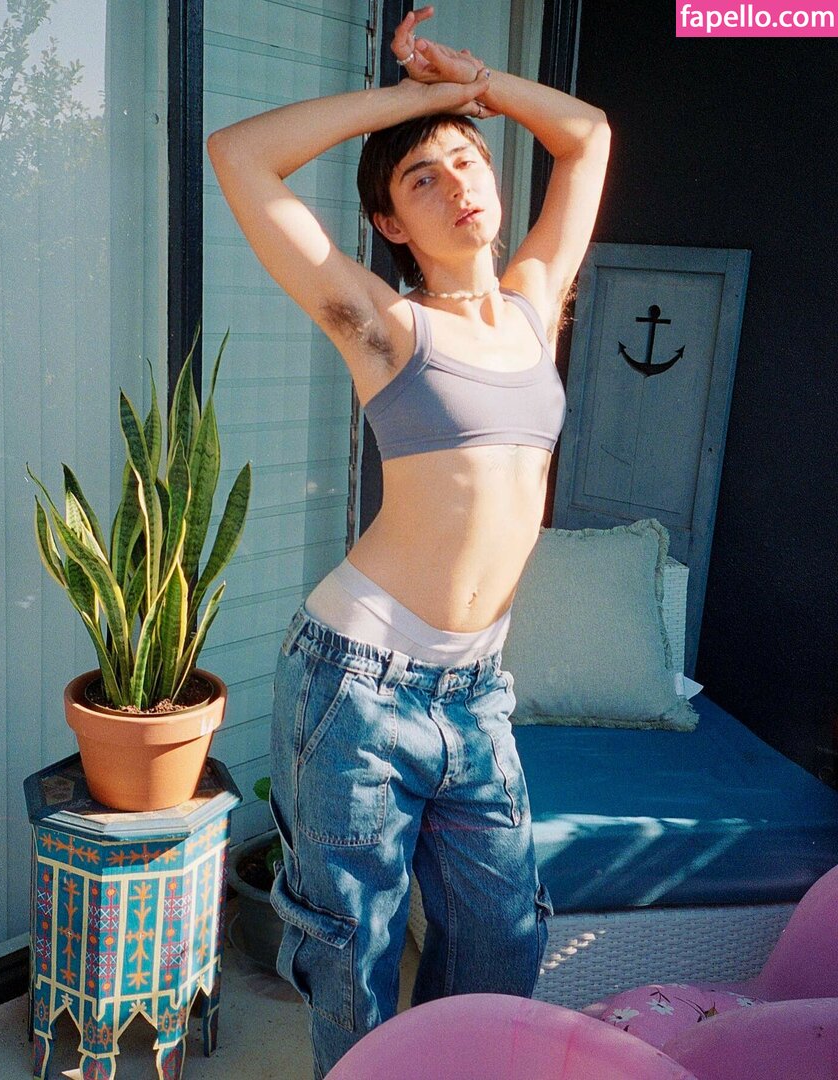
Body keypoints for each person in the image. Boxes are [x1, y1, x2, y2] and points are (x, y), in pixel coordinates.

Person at [208, 7, 609, 1076]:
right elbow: (240, 155)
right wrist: (414, 101)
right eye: (422, 178)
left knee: (502, 946)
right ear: (389, 221)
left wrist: (477, 82)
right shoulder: (386, 328)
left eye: (469, 159)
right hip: (357, 687)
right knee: (354, 962)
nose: (458, 182)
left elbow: (586, 136)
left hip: (476, 695)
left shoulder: (533, 307)